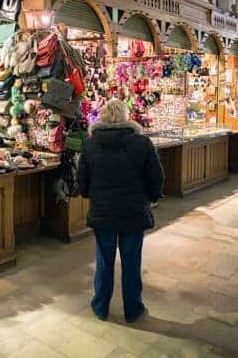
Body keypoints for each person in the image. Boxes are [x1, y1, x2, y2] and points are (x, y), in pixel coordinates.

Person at [78, 98, 164, 323]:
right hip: (134, 212)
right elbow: (156, 176)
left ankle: (100, 306)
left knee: (104, 261)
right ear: (126, 117)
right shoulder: (142, 143)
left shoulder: (90, 145)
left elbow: (82, 181)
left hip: (103, 212)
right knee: (131, 261)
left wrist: (91, 196)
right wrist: (152, 198)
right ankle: (133, 309)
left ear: (103, 117)